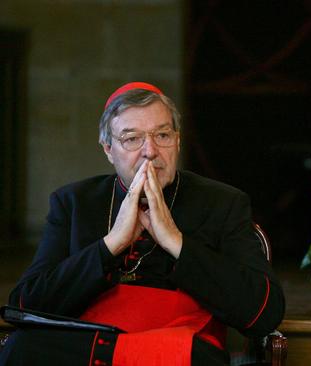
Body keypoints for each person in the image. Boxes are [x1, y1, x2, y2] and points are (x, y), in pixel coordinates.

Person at [0, 82, 285, 365]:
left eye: (162, 135)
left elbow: (263, 312)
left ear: (177, 141)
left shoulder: (222, 203)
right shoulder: (73, 202)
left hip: (182, 349)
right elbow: (27, 306)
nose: (150, 151)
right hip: (85, 344)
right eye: (131, 138)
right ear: (108, 150)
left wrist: (176, 241)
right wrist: (112, 245)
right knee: (22, 347)